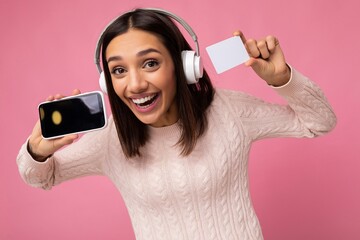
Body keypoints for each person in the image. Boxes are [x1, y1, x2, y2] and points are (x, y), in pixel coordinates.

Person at [17, 8, 337, 240]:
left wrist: (283, 80)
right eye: (119, 71)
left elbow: (318, 123)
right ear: (106, 81)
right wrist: (38, 150)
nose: (136, 84)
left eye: (151, 63)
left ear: (184, 66)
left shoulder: (229, 111)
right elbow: (42, 177)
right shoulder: (111, 139)